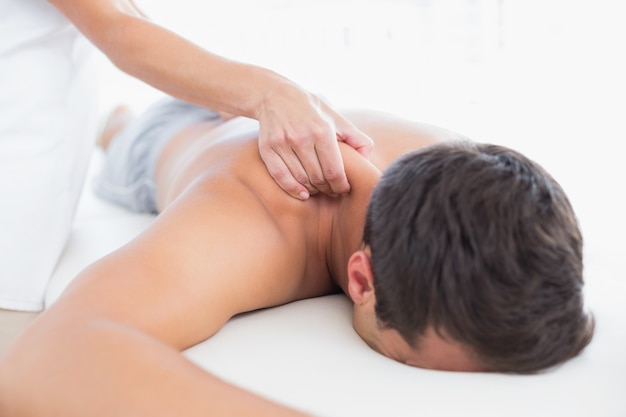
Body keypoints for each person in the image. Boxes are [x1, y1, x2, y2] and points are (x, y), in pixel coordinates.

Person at [0, 98, 594, 416]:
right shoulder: (247, 223)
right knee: (133, 134)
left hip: (292, 111)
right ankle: (117, 121)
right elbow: (41, 361)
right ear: (362, 280)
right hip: (173, 139)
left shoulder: (473, 181)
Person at [0, 0, 372, 312]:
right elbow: (116, 28)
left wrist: (225, 94)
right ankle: (115, 125)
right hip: (37, 176)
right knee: (128, 138)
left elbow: (120, 13)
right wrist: (265, 94)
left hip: (194, 124)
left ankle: (119, 123)